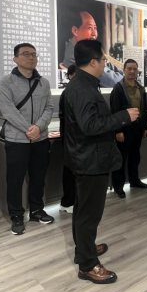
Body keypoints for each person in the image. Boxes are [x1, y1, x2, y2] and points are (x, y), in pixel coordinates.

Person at [64, 40, 139, 285]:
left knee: (83, 210)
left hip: (87, 157)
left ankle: (83, 248)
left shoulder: (82, 84)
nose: (106, 64)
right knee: (89, 214)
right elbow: (90, 126)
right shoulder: (83, 88)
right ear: (94, 62)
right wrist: (123, 117)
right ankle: (87, 265)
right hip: (90, 160)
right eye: (104, 60)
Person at [0, 43, 55, 235]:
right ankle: (16, 215)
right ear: (15, 59)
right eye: (26, 54)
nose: (31, 57)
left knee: (38, 177)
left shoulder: (44, 82)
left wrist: (38, 127)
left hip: (41, 139)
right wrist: (28, 129)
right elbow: (8, 110)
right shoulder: (6, 82)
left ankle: (37, 210)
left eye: (34, 54)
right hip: (17, 140)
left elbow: (49, 107)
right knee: (15, 179)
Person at [110, 59, 147, 199]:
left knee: (135, 156)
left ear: (137, 71)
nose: (132, 71)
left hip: (138, 127)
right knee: (121, 158)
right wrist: (118, 131)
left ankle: (134, 180)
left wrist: (145, 127)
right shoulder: (118, 88)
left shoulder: (141, 88)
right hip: (124, 128)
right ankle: (118, 186)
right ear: (124, 70)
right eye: (129, 68)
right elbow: (114, 111)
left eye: (135, 69)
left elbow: (144, 109)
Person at [60, 9, 123, 88]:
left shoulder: (86, 51)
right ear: (75, 31)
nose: (94, 34)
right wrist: (129, 79)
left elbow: (109, 66)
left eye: (95, 28)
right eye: (89, 28)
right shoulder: (75, 55)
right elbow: (113, 81)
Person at [59, 64, 77, 214]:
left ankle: (73, 200)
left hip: (75, 139)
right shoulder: (68, 93)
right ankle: (67, 202)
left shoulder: (76, 92)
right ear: (70, 75)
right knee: (70, 171)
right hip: (70, 139)